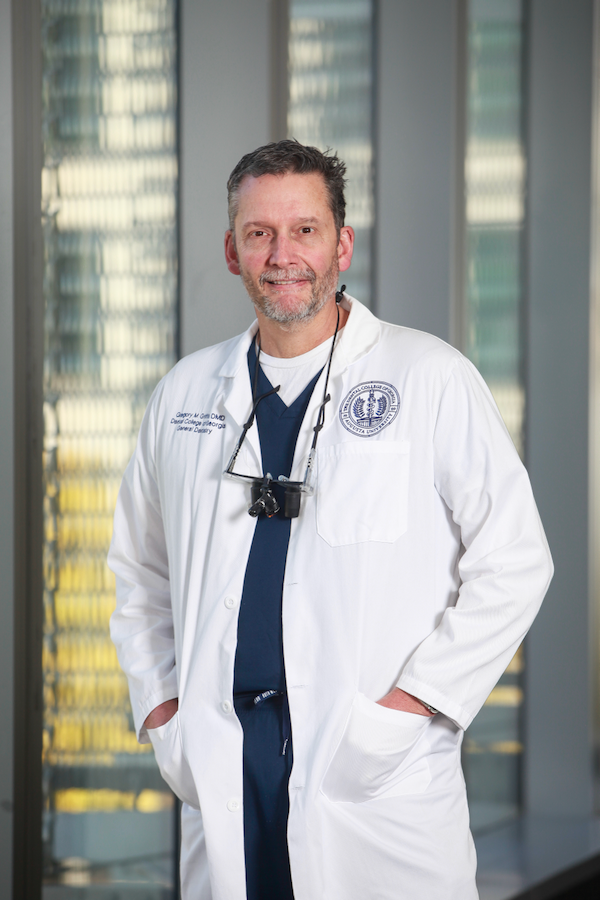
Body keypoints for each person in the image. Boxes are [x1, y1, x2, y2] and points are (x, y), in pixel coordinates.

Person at [108, 139, 553, 900]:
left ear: (341, 244)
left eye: (305, 230)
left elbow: (514, 561)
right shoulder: (184, 394)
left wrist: (405, 712)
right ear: (231, 250)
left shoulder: (429, 377)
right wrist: (164, 711)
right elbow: (137, 572)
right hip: (222, 765)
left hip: (369, 775)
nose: (283, 254)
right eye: (260, 233)